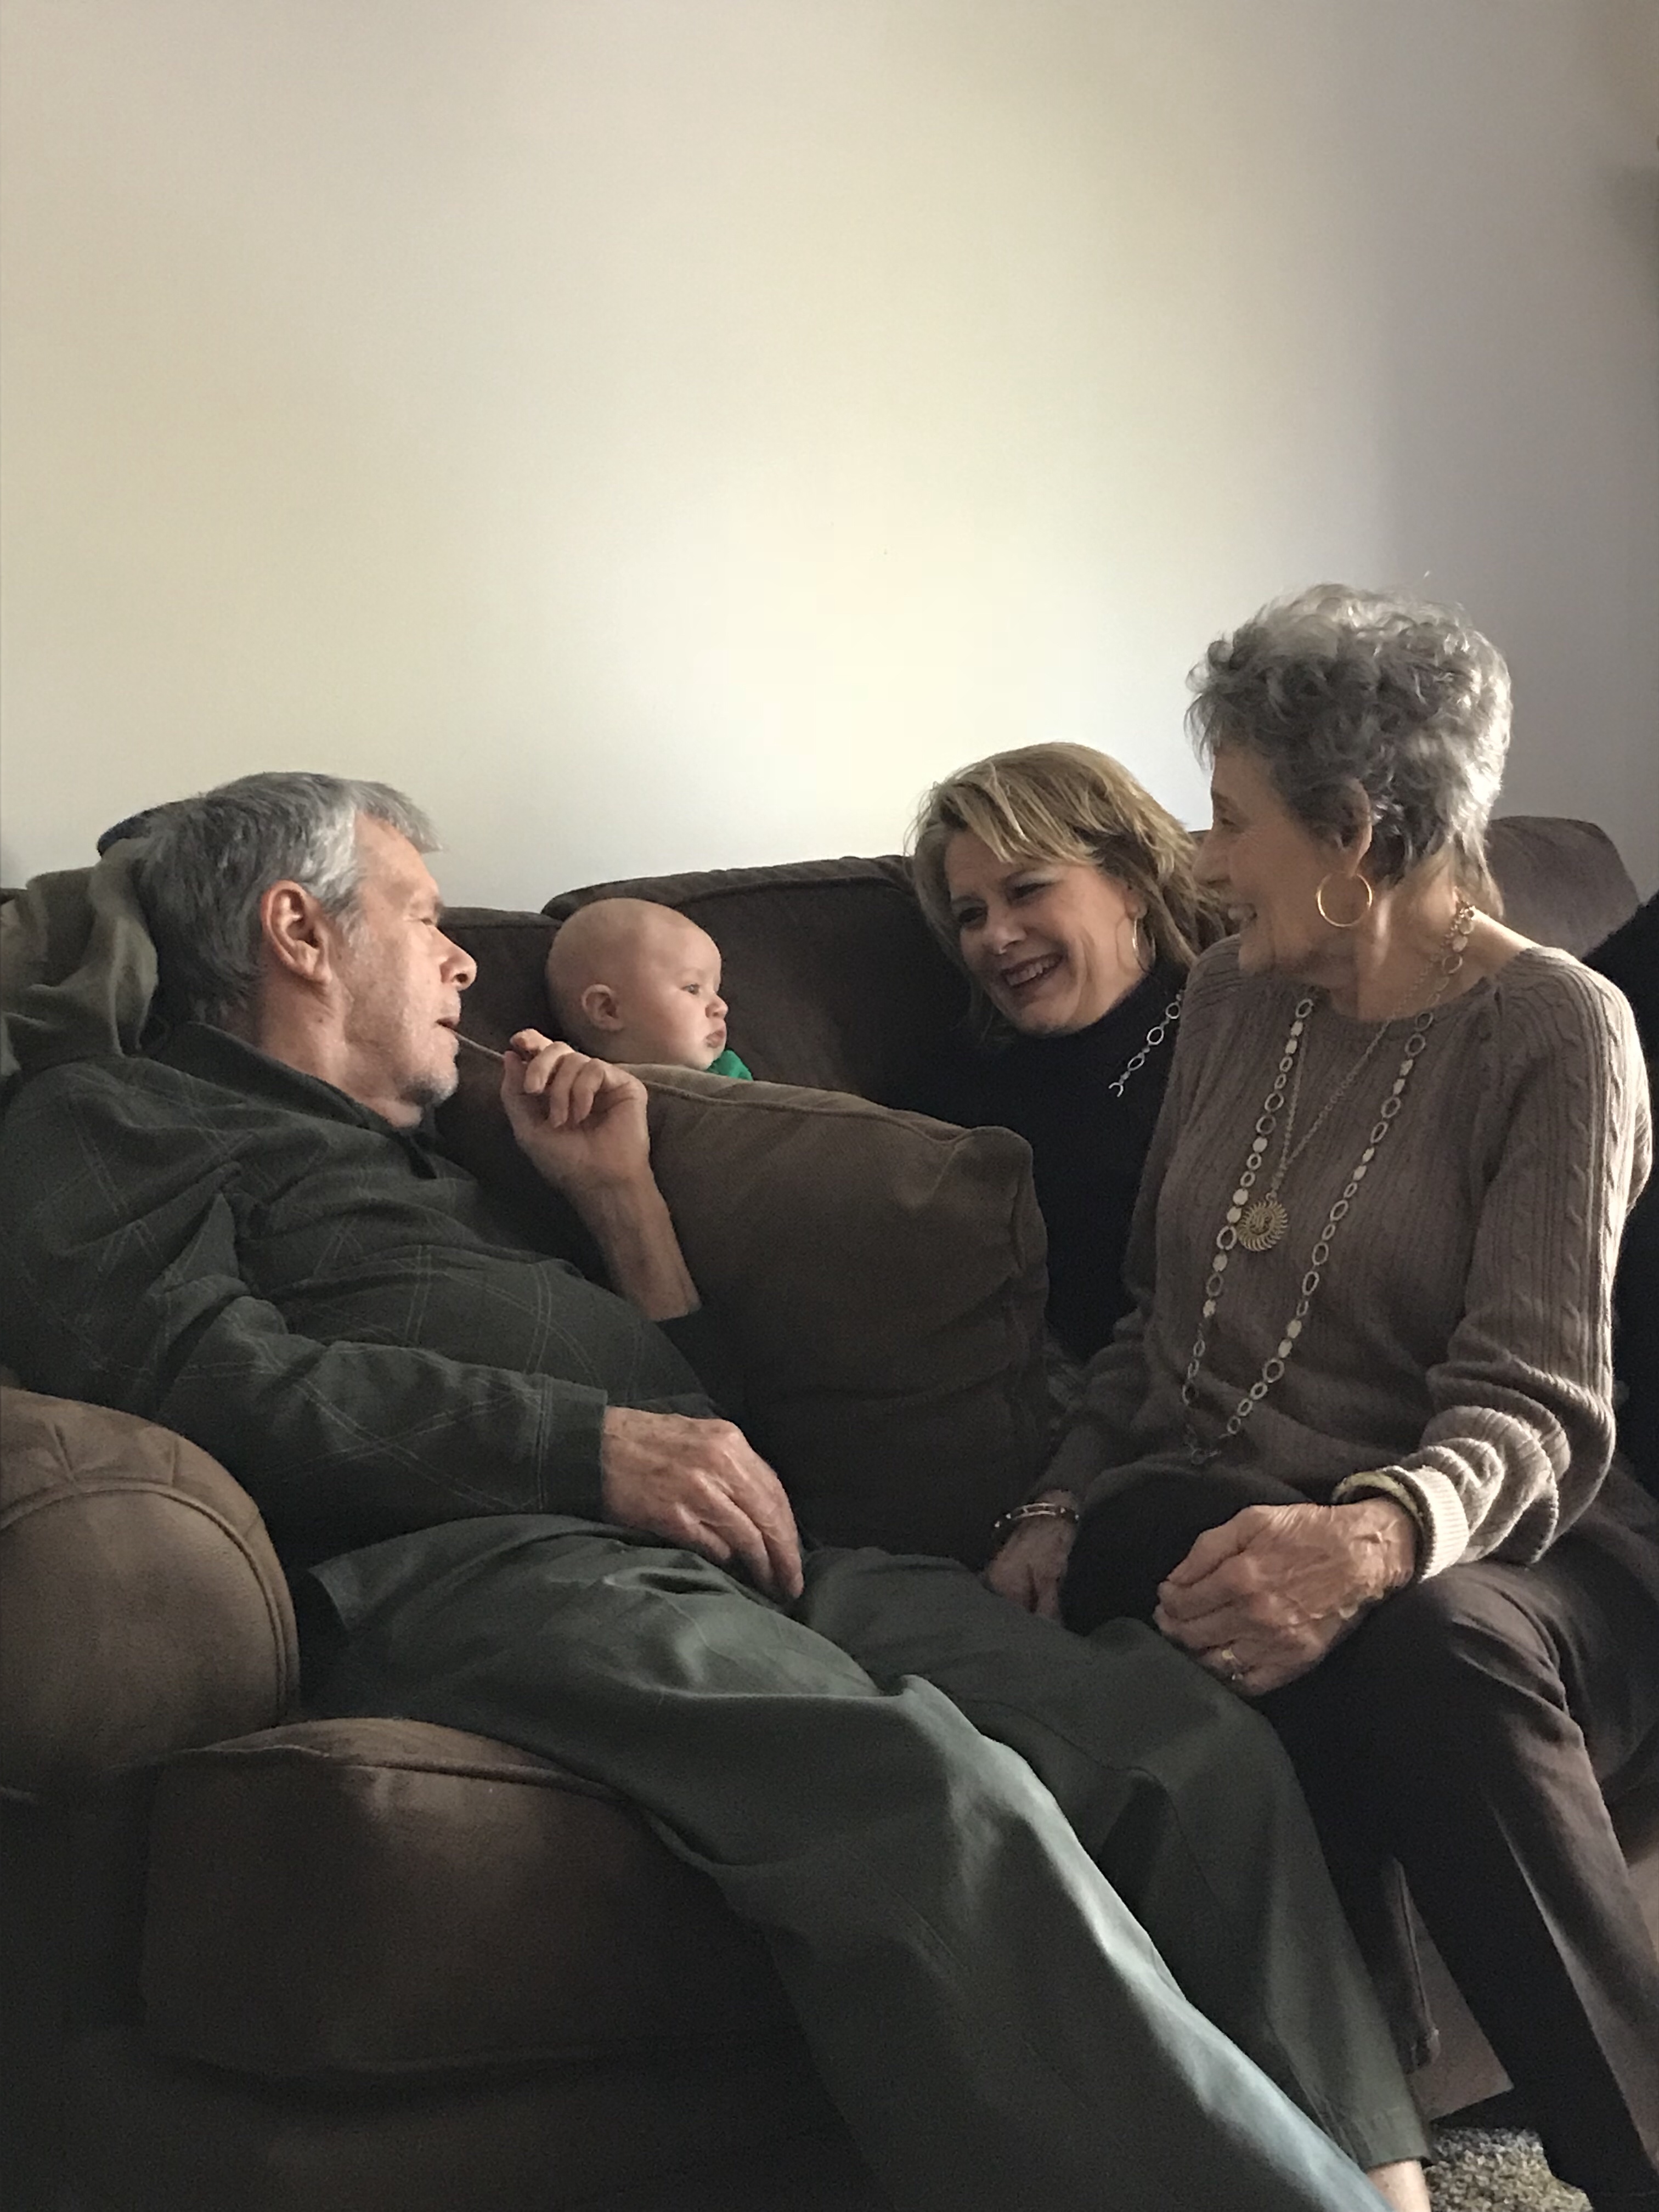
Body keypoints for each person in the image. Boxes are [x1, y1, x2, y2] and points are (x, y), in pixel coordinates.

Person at [0, 771, 1433, 2212]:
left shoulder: (446, 1170)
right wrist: (587, 1451)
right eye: (425, 919)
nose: (463, 963)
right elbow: (181, 1373)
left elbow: (705, 1434)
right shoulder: (113, 1116)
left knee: (1180, 1743)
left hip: (725, 1559)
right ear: (300, 932)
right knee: (925, 1796)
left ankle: (1389, 2189)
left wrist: (618, 1202)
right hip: (477, 1571)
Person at [987, 589, 1659, 2212]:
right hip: (1205, 1518)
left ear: (1353, 834)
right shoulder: (1230, 1000)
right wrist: (1062, 1493)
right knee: (1187, 1536)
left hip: (1523, 1548)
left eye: (1232, 820)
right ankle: (1374, 2169)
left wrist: (1371, 1540)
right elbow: (1153, 1330)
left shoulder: (1557, 1031)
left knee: (1427, 1643)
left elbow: (1542, 1407)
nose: (1207, 862)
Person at [907, 743, 1218, 1362]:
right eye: (971, 915)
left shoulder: (1236, 1030)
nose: (996, 936)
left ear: (1131, 881)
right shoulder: (950, 1095)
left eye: (1027, 890)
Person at [546, 896, 751, 1076]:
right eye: (693, 988)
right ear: (609, 1009)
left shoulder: (730, 1072)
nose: (721, 1007)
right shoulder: (578, 1083)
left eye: (715, 990)